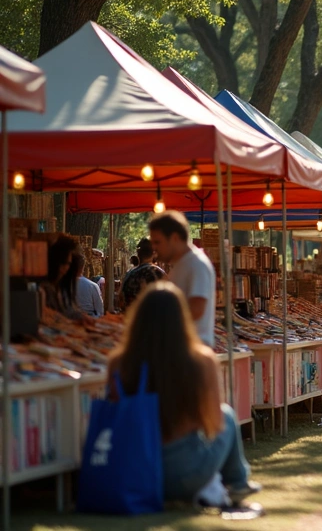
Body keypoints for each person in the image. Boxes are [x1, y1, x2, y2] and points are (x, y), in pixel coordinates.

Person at [108, 282, 259, 506]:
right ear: (183, 319)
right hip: (186, 474)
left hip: (136, 472)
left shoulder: (119, 363)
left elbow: (115, 413)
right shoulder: (201, 360)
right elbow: (213, 419)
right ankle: (237, 483)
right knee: (227, 415)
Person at [150, 211, 216, 346]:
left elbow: (197, 309)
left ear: (174, 238)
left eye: (157, 242)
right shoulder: (182, 264)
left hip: (191, 353)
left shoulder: (196, 264)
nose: (154, 248)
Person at [120, 238, 164, 311]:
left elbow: (120, 298)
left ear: (138, 254)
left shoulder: (129, 274)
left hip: (130, 318)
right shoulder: (158, 273)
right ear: (154, 253)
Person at [72, 252, 105, 318]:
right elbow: (100, 311)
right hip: (91, 320)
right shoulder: (92, 286)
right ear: (83, 267)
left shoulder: (62, 285)